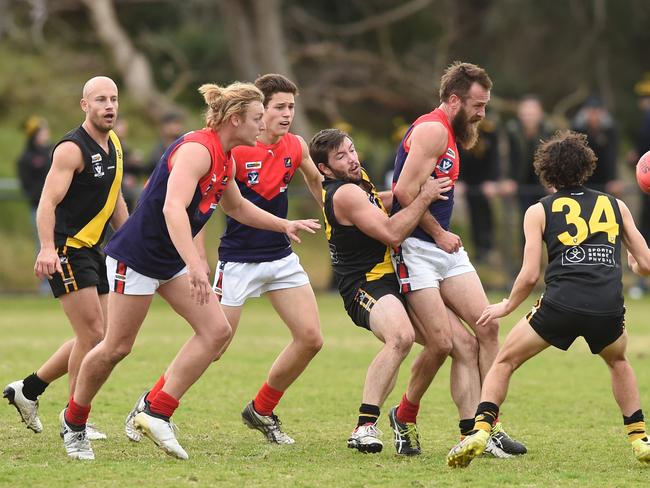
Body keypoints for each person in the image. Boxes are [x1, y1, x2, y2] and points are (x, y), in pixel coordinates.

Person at [61, 81, 319, 461]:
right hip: (136, 258)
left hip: (168, 261)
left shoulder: (226, 158)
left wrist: (283, 225)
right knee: (117, 346)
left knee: (216, 332)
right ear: (235, 120)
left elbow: (237, 209)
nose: (263, 127)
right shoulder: (198, 150)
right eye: (257, 119)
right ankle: (74, 421)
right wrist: (196, 264)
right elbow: (172, 209)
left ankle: (156, 411)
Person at [447, 130, 650, 468]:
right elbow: (645, 264)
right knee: (618, 362)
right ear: (587, 167)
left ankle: (480, 431)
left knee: (504, 362)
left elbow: (528, 275)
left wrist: (506, 306)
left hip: (560, 304)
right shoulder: (616, 205)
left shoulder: (538, 210)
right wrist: (633, 264)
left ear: (546, 172)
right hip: (607, 307)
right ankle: (640, 439)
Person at [390, 61, 526, 456]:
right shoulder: (432, 130)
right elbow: (403, 191)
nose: (482, 113)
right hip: (416, 251)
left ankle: (486, 426)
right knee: (448, 344)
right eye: (478, 105)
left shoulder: (450, 133)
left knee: (486, 328)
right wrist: (438, 232)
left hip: (445, 251)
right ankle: (407, 415)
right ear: (453, 100)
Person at [310, 128, 453, 453]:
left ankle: (404, 416)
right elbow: (391, 233)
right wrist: (425, 196)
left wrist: (407, 193)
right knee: (400, 337)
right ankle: (364, 426)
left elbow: (379, 202)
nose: (351, 158)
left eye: (351, 149)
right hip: (364, 283)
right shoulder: (344, 193)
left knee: (444, 344)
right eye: (341, 157)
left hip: (395, 279)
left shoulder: (358, 180)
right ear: (325, 169)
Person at [3, 77, 128, 441]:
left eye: (114, 99)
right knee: (93, 334)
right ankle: (76, 419)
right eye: (100, 99)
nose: (109, 105)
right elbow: (47, 202)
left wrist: (130, 240)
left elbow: (116, 200)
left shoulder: (115, 144)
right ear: (84, 105)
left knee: (98, 335)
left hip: (94, 249)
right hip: (66, 248)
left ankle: (28, 390)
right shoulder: (71, 149)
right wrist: (45, 248)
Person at [206, 74, 323, 445]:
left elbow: (321, 186)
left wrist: (348, 220)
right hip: (239, 260)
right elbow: (207, 204)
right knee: (213, 347)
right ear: (260, 110)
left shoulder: (295, 145)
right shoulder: (236, 150)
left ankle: (261, 409)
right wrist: (195, 259)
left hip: (280, 257)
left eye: (292, 107)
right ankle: (152, 405)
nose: (287, 114)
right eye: (279, 108)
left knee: (310, 338)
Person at [16, 116, 53, 293]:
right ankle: (45, 285)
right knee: (43, 245)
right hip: (38, 208)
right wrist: (44, 194)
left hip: (58, 207)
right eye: (42, 131)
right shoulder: (26, 158)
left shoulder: (52, 151)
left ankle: (61, 280)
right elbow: (27, 186)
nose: (46, 134)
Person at [457, 118, 500, 263]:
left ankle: (488, 247)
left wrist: (492, 180)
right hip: (467, 178)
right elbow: (457, 154)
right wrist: (459, 179)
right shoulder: (460, 127)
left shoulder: (489, 130)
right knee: (473, 213)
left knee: (486, 212)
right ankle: (476, 250)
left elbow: (494, 157)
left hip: (485, 178)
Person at [571, 96, 622, 195]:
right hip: (582, 179)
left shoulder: (610, 130)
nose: (593, 116)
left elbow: (613, 155)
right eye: (590, 112)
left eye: (596, 112)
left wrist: (613, 178)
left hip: (604, 180)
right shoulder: (577, 130)